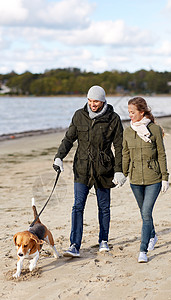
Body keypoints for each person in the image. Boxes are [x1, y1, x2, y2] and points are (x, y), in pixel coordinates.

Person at [53, 85, 126, 257]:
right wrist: (59, 157)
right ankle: (74, 245)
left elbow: (119, 146)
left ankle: (103, 240)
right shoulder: (79, 115)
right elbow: (69, 138)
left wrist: (119, 170)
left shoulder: (113, 119)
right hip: (82, 169)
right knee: (77, 206)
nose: (93, 104)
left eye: (96, 101)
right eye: (90, 100)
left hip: (104, 169)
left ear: (103, 101)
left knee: (104, 207)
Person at [122, 96, 169, 263]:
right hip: (135, 180)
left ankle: (143, 250)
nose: (130, 116)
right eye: (129, 112)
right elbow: (126, 155)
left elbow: (161, 155)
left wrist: (165, 177)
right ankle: (153, 235)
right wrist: (123, 173)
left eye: (133, 112)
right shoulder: (128, 132)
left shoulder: (154, 130)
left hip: (153, 179)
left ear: (142, 112)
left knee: (146, 212)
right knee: (144, 214)